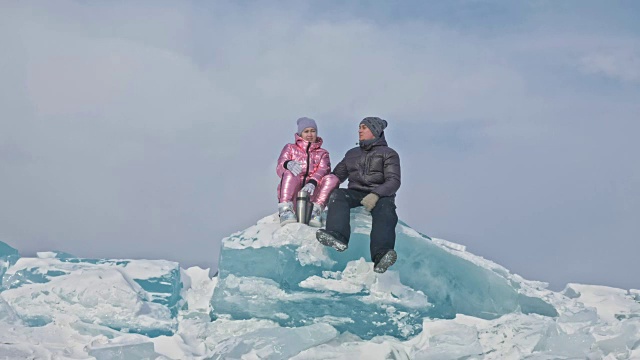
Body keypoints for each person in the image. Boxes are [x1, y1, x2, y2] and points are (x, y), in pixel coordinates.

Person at [316, 117, 401, 273]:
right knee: (338, 194)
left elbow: (394, 181)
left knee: (386, 210)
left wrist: (376, 194)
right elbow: (337, 175)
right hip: (355, 192)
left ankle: (381, 255)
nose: (359, 130)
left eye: (364, 127)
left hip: (381, 196)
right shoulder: (352, 154)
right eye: (359, 127)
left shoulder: (389, 154)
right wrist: (315, 182)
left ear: (375, 131)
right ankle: (337, 236)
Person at [276, 117, 340, 227]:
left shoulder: (323, 153)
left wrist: (313, 182)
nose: (310, 134)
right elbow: (279, 168)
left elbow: (324, 169)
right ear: (300, 134)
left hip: (313, 194)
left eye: (313, 131)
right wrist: (287, 164)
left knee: (332, 178)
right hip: (294, 194)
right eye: (306, 131)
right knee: (289, 172)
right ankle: (286, 210)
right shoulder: (290, 148)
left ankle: (316, 211)